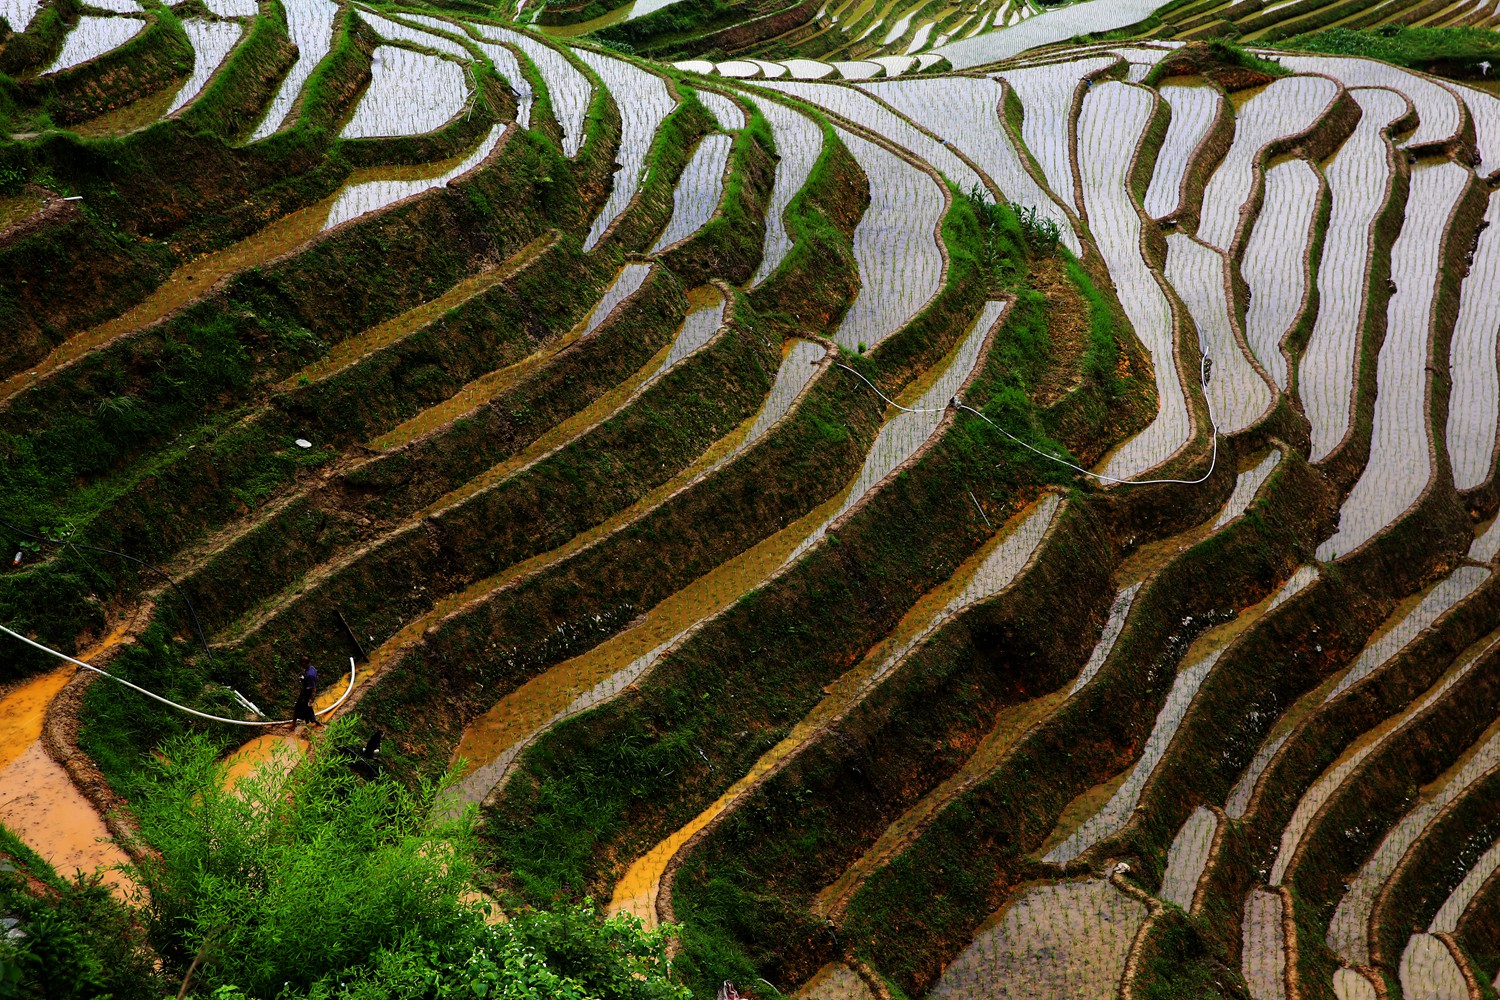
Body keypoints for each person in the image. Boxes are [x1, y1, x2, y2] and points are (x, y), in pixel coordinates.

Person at [292, 656, 319, 725]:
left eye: (301, 665)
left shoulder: (310, 675)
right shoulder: (311, 668)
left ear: (304, 663)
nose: (301, 666)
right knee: (306, 709)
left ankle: (312, 722)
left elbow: (313, 689)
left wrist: (311, 700)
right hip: (305, 692)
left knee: (303, 708)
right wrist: (304, 679)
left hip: (307, 694)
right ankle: (313, 722)